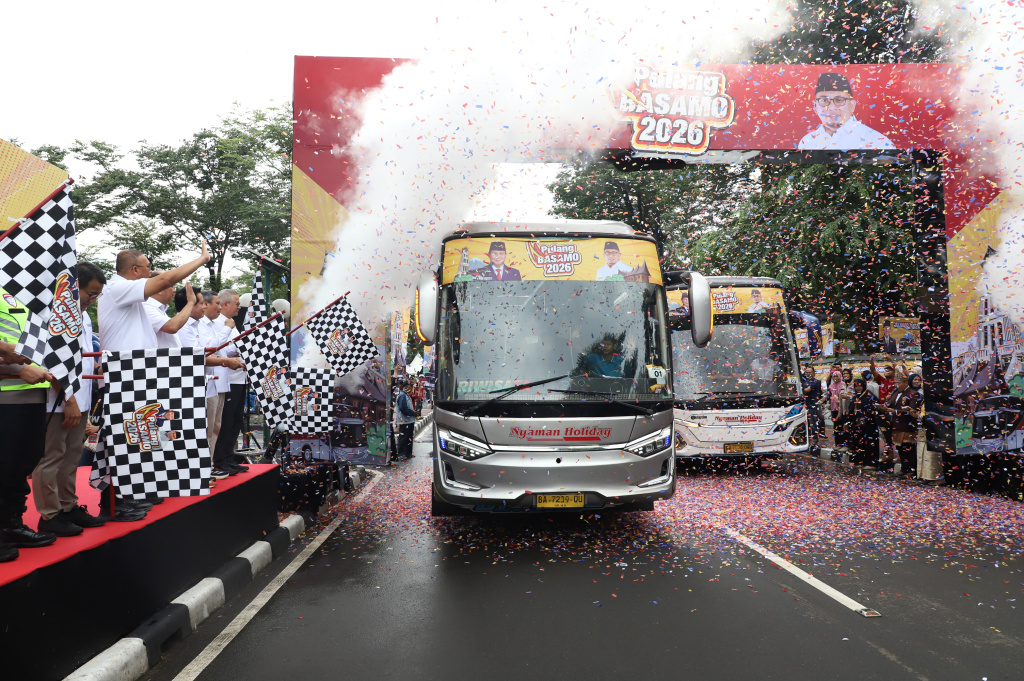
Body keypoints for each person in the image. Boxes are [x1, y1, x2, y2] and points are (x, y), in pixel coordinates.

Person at [31, 263, 110, 537]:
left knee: (72, 456)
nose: (93, 299)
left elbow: (86, 356)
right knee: (52, 456)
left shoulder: (85, 316)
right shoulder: (55, 312)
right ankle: (49, 514)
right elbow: (52, 362)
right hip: (60, 398)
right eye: (91, 293)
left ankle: (68, 506)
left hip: (84, 395)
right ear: (75, 288)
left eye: (97, 295)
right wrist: (70, 400)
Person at [1, 286, 60, 561]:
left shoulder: (21, 291)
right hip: (5, 391)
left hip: (34, 390)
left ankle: (11, 524)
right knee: (4, 462)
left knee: (24, 460)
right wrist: (18, 368)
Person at [98, 243, 210, 352]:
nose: (150, 272)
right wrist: (202, 259)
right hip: (123, 364)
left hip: (132, 364)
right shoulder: (116, 288)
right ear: (135, 269)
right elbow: (165, 280)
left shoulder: (126, 292)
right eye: (148, 267)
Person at [797, 72, 895, 151]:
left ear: (852, 105)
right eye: (824, 100)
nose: (831, 107)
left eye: (839, 100)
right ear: (814, 106)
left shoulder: (877, 142)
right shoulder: (807, 142)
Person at [211, 289, 249, 477]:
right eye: (236, 303)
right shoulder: (217, 323)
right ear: (226, 304)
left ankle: (228, 457)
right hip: (227, 378)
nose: (239, 307)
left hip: (240, 377)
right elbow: (220, 349)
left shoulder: (233, 324)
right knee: (224, 421)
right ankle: (219, 460)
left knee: (236, 420)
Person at [144, 274, 196, 349]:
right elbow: (172, 327)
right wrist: (190, 302)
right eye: (171, 286)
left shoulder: (159, 309)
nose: (174, 290)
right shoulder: (146, 307)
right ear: (159, 289)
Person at [888, 371, 924, 479]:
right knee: (900, 448)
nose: (896, 385)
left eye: (898, 383)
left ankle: (912, 470)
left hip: (908, 426)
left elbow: (912, 410)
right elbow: (891, 404)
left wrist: (894, 411)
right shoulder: (896, 392)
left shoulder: (913, 393)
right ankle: (904, 468)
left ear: (905, 383)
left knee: (910, 449)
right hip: (897, 425)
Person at [849, 378, 881, 468]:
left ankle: (871, 463)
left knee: (869, 444)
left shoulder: (870, 396)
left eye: (860, 386)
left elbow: (875, 410)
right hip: (857, 424)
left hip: (869, 425)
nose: (858, 388)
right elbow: (851, 409)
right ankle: (859, 461)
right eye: (856, 386)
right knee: (858, 443)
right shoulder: (855, 396)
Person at [801, 365, 824, 448]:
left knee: (813, 423)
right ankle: (806, 439)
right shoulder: (803, 381)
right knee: (804, 423)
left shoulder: (815, 381)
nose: (808, 374)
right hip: (804, 405)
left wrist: (799, 390)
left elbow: (807, 390)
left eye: (810, 372)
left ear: (813, 373)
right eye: (806, 372)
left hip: (813, 405)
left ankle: (815, 440)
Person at [395, 381, 417, 460]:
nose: (411, 388)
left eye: (411, 386)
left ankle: (408, 453)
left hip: (410, 420)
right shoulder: (402, 395)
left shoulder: (407, 395)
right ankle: (401, 454)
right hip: (404, 420)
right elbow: (402, 408)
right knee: (403, 437)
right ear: (405, 387)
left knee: (409, 437)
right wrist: (412, 413)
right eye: (409, 386)